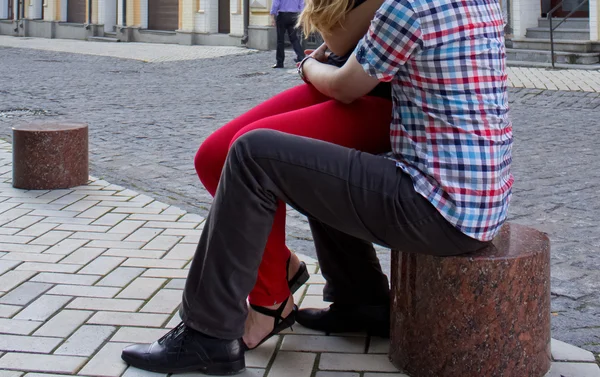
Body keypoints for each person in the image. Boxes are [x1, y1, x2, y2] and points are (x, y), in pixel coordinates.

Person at [121, 0, 512, 372]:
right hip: (469, 203)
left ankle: (208, 333)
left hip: (433, 206)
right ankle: (360, 299)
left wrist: (307, 66)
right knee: (309, 165)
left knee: (252, 153)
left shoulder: (408, 8)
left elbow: (344, 83)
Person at [191, 0, 392, 351]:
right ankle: (282, 266)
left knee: (250, 151)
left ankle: (270, 302)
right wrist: (318, 60)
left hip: (385, 101)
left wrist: (311, 64)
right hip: (339, 83)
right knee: (213, 156)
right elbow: (338, 36)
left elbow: (339, 35)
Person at [270, 0, 305, 68]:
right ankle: (301, 58)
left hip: (282, 15)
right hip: (294, 16)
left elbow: (275, 4)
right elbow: (302, 5)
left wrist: (272, 16)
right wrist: (302, 18)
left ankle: (280, 63)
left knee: (280, 40)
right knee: (294, 38)